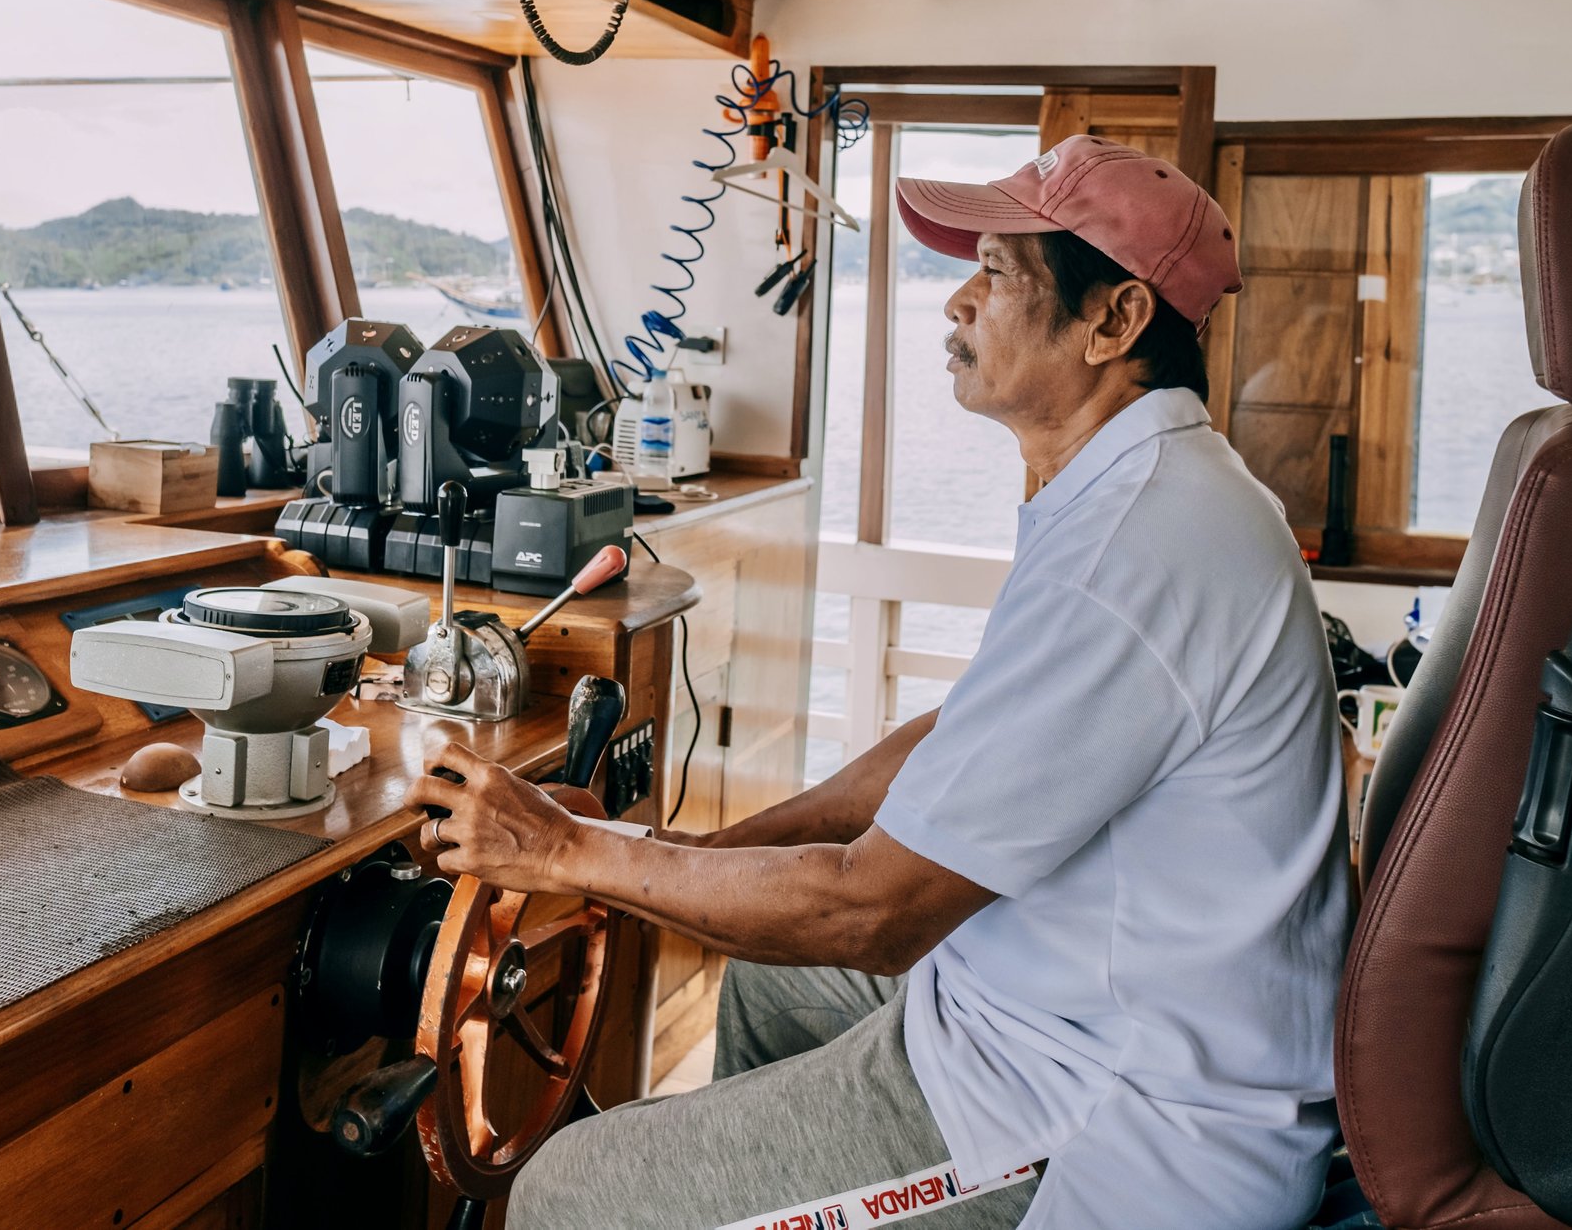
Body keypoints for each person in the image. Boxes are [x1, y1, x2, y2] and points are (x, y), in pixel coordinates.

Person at [417, 136, 1348, 1230]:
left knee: (570, 1192)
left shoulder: (1136, 547)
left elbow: (874, 911)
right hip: (1038, 1014)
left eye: (996, 272)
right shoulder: (1131, 486)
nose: (957, 299)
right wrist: (693, 857)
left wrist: (571, 850)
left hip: (1107, 1119)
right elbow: (951, 742)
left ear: (1115, 320)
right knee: (766, 978)